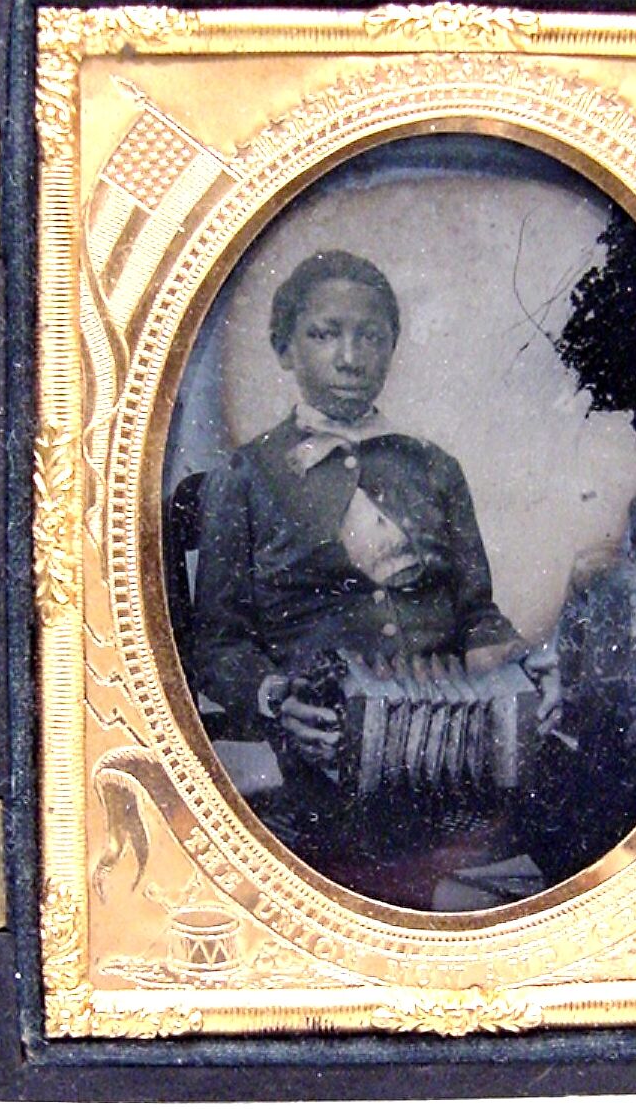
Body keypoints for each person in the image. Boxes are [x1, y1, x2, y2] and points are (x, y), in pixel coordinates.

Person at [191, 250, 557, 903]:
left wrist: (514, 666)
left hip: (449, 746)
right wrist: (274, 697)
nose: (350, 356)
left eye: (371, 336)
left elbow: (476, 612)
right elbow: (216, 642)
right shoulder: (243, 479)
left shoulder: (435, 469)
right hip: (320, 747)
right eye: (324, 334)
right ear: (284, 349)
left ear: (391, 347)